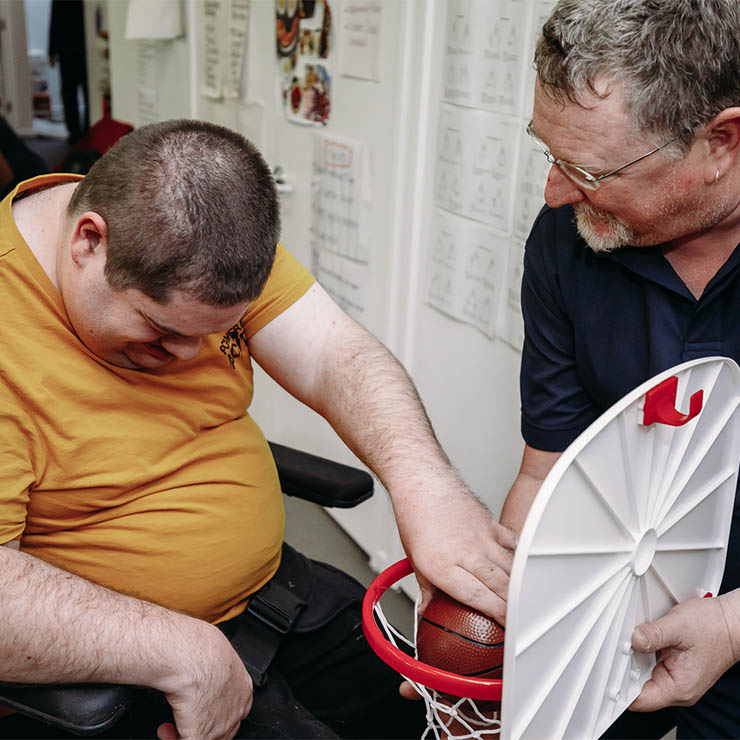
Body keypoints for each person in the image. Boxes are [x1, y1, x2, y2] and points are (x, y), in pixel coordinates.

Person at [0, 119, 516, 740]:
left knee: (465, 720)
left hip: (279, 594)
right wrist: (172, 647)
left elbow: (334, 355)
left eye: (212, 333)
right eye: (162, 331)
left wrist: (426, 489)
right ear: (89, 242)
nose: (191, 355)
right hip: (134, 667)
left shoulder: (196, 230)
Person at [500, 0, 740, 737]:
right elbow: (548, 470)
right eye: (547, 150)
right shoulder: (567, 242)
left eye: (586, 169)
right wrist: (504, 637)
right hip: (621, 609)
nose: (553, 192)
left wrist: (731, 629)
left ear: (721, 143)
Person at [48, 0, 89, 143]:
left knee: (71, 93)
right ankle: (80, 132)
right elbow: (55, 21)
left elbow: (54, 21)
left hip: (72, 49)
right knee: (76, 93)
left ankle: (77, 132)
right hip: (78, 48)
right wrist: (52, 51)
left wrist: (52, 52)